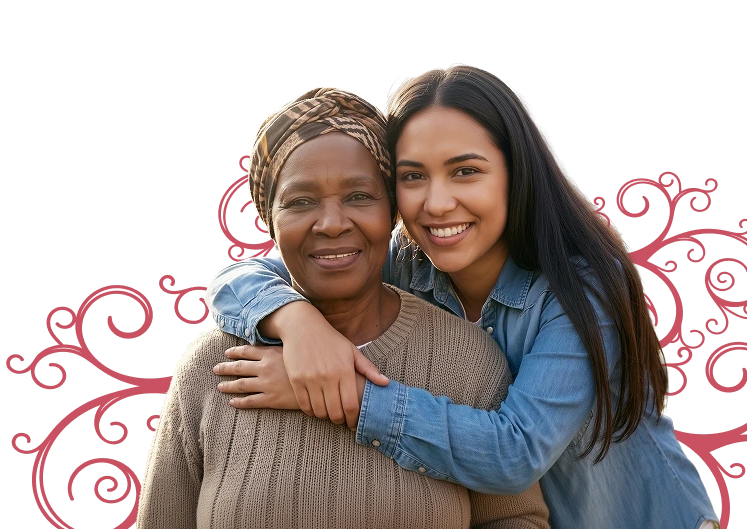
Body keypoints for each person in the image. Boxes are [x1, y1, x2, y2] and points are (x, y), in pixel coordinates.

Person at [206, 65, 720, 529]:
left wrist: (340, 397)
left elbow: (514, 453)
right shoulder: (404, 261)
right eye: (412, 177)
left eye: (465, 171)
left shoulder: (578, 289)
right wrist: (294, 321)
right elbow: (240, 278)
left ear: (515, 172)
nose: (437, 202)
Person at [135, 86, 551, 529]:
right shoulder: (215, 367)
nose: (332, 224)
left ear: (392, 211)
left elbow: (518, 517)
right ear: (269, 219)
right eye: (300, 202)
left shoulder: (467, 362)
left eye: (358, 196)